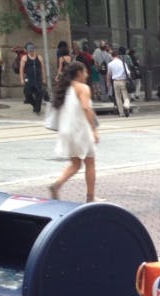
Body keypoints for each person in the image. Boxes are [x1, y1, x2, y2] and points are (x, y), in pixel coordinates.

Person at [48, 62, 99, 203]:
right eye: (85, 72)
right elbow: (86, 108)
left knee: (76, 164)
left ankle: (57, 184)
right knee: (90, 162)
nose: (87, 75)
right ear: (79, 73)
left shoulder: (65, 89)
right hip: (80, 130)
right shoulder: (83, 88)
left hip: (67, 131)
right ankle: (90, 197)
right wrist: (94, 129)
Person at [19, 43, 46, 115]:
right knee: (27, 94)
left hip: (38, 78)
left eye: (32, 50)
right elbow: (21, 69)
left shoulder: (39, 57)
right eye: (29, 50)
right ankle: (34, 104)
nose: (31, 52)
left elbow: (43, 69)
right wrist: (21, 79)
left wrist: (44, 78)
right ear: (27, 51)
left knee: (39, 94)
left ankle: (37, 109)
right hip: (29, 79)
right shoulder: (24, 58)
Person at [107, 47, 132, 117]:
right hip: (123, 81)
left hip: (115, 82)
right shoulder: (123, 63)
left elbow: (109, 74)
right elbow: (128, 73)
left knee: (118, 97)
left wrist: (108, 82)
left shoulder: (110, 64)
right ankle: (126, 105)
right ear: (118, 55)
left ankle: (121, 113)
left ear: (112, 56)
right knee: (125, 96)